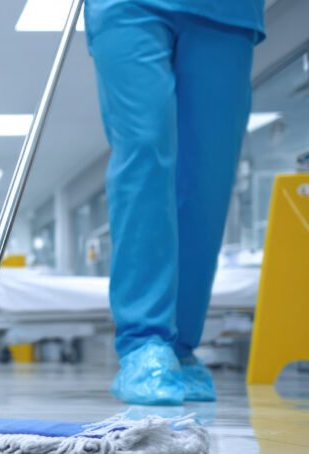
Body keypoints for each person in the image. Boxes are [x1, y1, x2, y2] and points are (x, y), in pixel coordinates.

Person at [85, 0, 265, 405]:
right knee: (144, 152)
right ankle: (144, 342)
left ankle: (181, 347)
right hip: (130, 7)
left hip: (227, 10)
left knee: (209, 175)